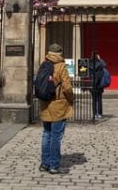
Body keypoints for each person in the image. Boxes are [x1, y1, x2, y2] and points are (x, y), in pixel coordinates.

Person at [38, 43, 74, 175]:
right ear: (60, 53)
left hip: (45, 104)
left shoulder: (44, 64)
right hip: (58, 105)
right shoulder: (60, 66)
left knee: (46, 134)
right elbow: (67, 87)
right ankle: (54, 165)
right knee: (56, 136)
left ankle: (44, 163)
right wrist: (71, 98)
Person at [90, 51, 106, 120]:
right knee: (99, 99)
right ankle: (99, 114)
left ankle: (94, 113)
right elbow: (104, 65)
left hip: (92, 83)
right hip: (99, 83)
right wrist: (100, 59)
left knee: (93, 100)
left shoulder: (89, 62)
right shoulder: (100, 63)